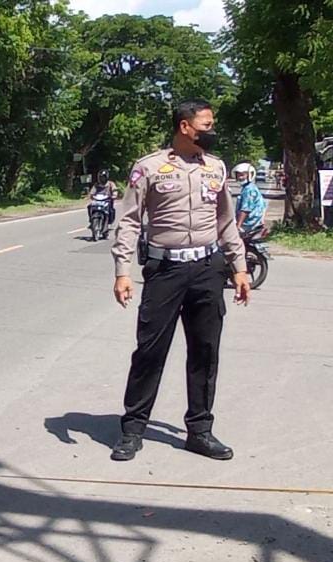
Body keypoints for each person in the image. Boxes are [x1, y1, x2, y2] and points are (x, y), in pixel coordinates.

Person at [109, 99, 251, 463]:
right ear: (185, 127)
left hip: (207, 269)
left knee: (205, 352)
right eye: (206, 125)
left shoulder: (216, 168)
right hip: (164, 271)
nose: (212, 131)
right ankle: (133, 430)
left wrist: (239, 267)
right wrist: (122, 271)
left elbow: (226, 222)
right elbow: (128, 221)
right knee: (150, 351)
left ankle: (200, 431)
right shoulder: (149, 168)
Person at [232, 162, 267, 234]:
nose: (240, 178)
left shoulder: (248, 189)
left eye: (242, 175)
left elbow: (245, 209)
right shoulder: (251, 187)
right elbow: (263, 205)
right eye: (238, 175)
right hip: (255, 223)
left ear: (250, 175)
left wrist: (238, 226)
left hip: (249, 224)